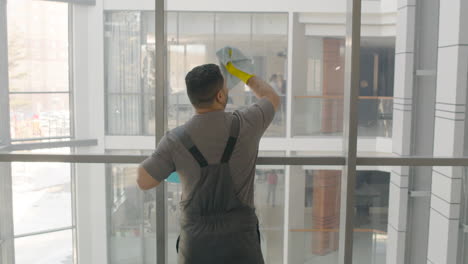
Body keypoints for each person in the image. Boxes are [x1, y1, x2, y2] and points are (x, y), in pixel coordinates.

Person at [137, 60, 280, 263]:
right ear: (220, 95)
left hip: (196, 245)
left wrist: (176, 164)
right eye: (225, 87)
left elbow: (144, 181)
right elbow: (271, 97)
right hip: (241, 243)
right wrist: (243, 75)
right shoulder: (246, 123)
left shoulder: (175, 140)